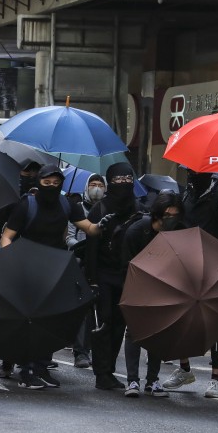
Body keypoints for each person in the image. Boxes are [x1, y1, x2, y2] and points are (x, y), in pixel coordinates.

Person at [0, 164, 115, 389]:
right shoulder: (26, 205)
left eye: (56, 183)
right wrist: (10, 261)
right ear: (38, 182)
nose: (51, 187)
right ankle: (26, 369)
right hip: (28, 269)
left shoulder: (66, 204)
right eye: (46, 183)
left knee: (50, 319)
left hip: (55, 269)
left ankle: (42, 367)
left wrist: (101, 225)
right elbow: (7, 237)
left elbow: (88, 228)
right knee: (29, 320)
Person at [163, 170, 218, 398]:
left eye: (197, 172)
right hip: (187, 260)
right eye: (190, 171)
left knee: (216, 321)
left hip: (214, 263)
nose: (192, 175)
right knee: (180, 316)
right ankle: (185, 369)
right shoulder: (188, 193)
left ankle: (215, 379)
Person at [121, 191, 184, 397]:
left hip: (164, 288)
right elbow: (126, 263)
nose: (171, 219)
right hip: (137, 286)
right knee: (134, 332)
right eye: (167, 215)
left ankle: (153, 380)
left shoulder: (176, 233)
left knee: (158, 333)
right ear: (158, 213)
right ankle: (132, 381)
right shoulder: (138, 230)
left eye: (175, 215)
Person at [84, 162, 141, 390]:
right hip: (104, 275)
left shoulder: (138, 208)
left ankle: (110, 370)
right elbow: (91, 247)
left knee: (120, 324)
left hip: (128, 275)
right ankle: (101, 372)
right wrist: (92, 280)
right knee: (104, 323)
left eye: (128, 180)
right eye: (118, 180)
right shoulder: (100, 209)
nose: (124, 184)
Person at [65, 173, 105, 369]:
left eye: (100, 184)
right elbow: (69, 237)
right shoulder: (78, 209)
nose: (96, 188)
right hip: (80, 262)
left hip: (101, 264)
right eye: (93, 184)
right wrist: (83, 246)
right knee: (83, 307)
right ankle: (81, 352)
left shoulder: (107, 210)